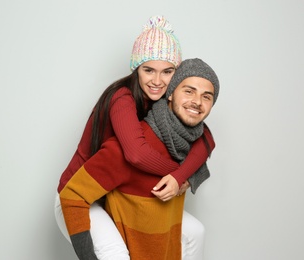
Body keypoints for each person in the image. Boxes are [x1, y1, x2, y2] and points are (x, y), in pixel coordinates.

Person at [55, 16, 214, 259]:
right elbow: (136, 153)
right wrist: (177, 172)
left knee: (194, 232)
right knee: (115, 252)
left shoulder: (163, 104)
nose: (157, 81)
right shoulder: (122, 98)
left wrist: (182, 177)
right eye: (148, 70)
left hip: (115, 193)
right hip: (79, 195)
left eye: (167, 71)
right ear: (136, 68)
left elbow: (205, 137)